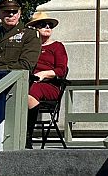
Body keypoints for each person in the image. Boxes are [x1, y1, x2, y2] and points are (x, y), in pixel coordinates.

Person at [24, 11, 68, 148]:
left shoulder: (57, 46)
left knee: (32, 90)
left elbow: (61, 70)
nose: (48, 27)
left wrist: (44, 74)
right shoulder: (28, 47)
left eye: (50, 25)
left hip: (49, 85)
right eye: (43, 25)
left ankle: (27, 135)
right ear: (35, 29)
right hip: (28, 81)